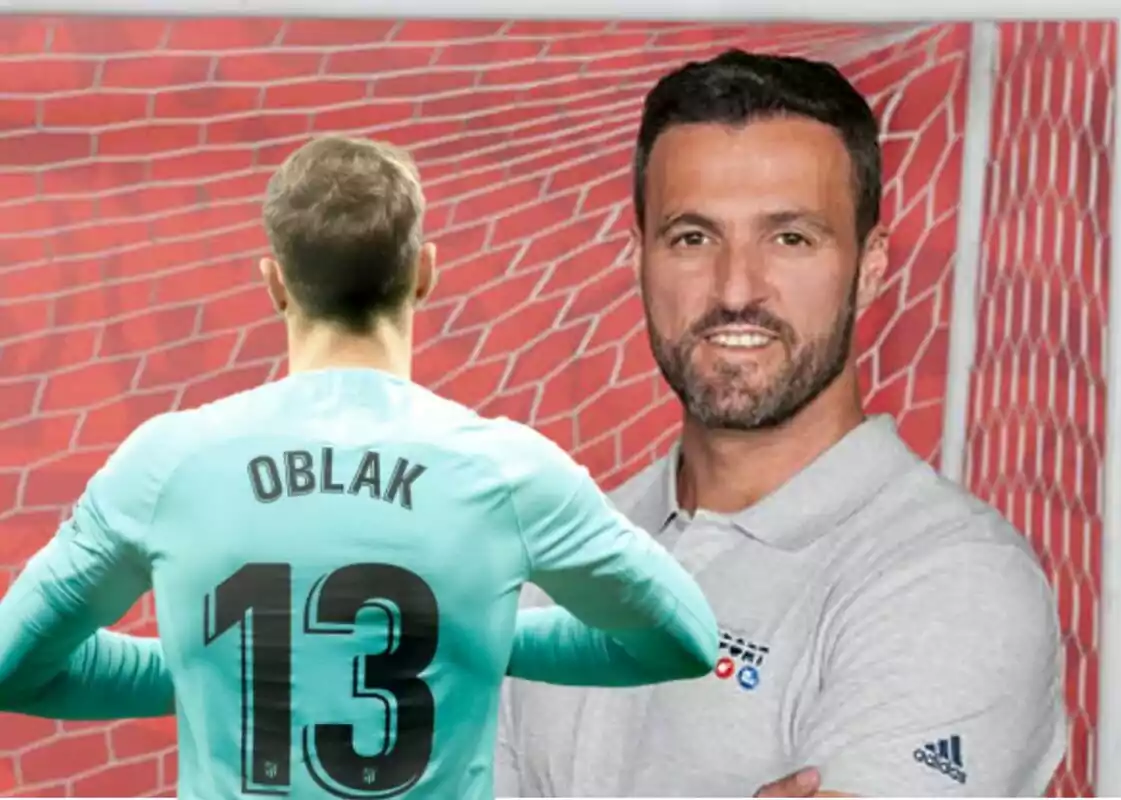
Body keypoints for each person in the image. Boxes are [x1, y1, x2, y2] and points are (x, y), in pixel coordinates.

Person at [0, 135, 722, 799]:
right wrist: (478, 638)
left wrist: (227, 668)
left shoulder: (168, 463)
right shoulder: (506, 470)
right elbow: (684, 638)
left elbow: (12, 665)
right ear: (424, 272)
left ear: (275, 282)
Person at [495, 49, 1065, 798]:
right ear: (640, 259)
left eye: (790, 238)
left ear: (869, 265)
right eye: (693, 238)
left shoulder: (954, 583)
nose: (737, 288)